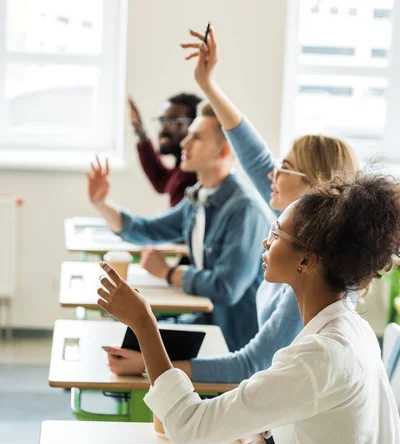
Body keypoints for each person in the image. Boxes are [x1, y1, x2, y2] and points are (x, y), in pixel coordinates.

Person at [97, 171, 400, 444]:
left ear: (306, 261)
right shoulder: (341, 328)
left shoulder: (320, 356)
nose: (265, 242)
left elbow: (187, 424)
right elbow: (258, 407)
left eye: (276, 233)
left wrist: (144, 323)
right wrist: (255, 443)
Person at [106, 29, 358, 392]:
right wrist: (207, 84)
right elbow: (252, 154)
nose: (271, 173)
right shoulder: (298, 234)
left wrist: (153, 363)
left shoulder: (310, 273)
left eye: (283, 168)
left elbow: (252, 365)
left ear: (312, 187)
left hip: (277, 413)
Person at [86, 102, 270, 352]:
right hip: (207, 325)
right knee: (131, 337)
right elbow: (148, 230)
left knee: (139, 346)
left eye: (196, 137)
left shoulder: (244, 210)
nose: (184, 143)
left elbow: (226, 288)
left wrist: (168, 273)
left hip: (234, 343)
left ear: (223, 152)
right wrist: (101, 203)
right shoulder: (197, 197)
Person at [128, 92, 202, 208]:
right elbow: (163, 180)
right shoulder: (183, 167)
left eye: (173, 122)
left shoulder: (196, 174)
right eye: (162, 120)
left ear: (196, 126)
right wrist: (141, 133)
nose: (163, 129)